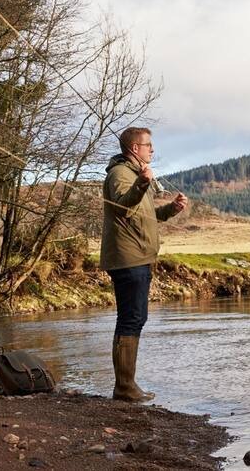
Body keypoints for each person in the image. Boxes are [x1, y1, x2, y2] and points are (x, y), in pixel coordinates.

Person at [101, 126, 188, 402]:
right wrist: (141, 183)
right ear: (134, 149)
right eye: (148, 145)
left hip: (139, 256)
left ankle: (126, 385)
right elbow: (123, 207)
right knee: (131, 319)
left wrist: (172, 209)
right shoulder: (119, 175)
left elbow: (147, 216)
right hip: (128, 257)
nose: (152, 149)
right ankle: (124, 388)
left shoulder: (135, 174)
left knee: (136, 318)